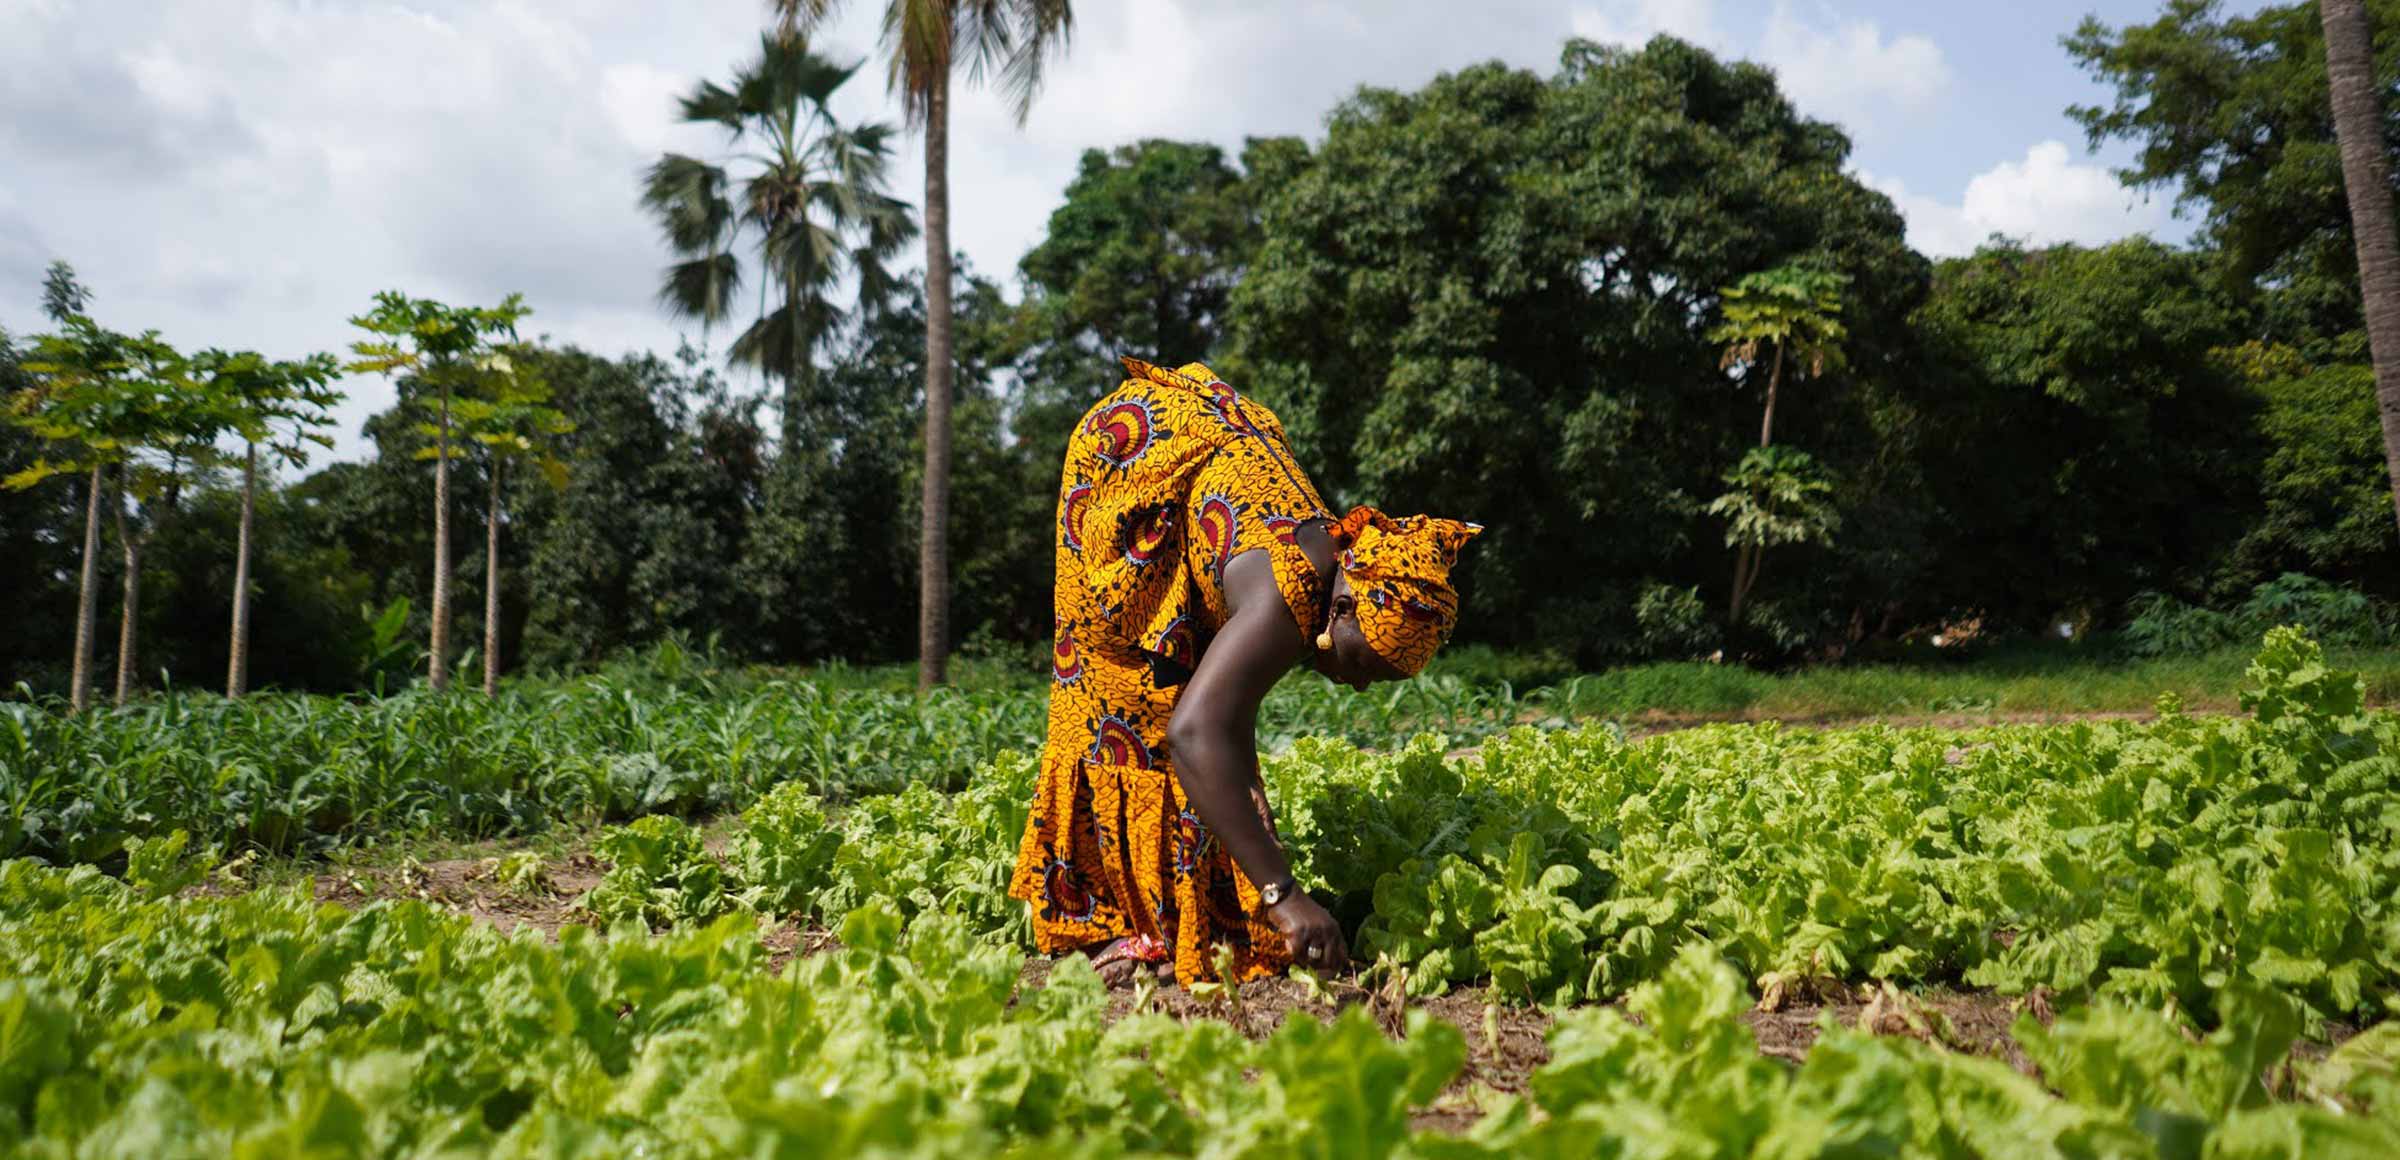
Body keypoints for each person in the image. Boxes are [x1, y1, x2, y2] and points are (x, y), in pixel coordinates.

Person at [1008, 357, 1480, 987]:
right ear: (1340, 609)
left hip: (1193, 459)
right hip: (1127, 466)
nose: (1361, 684)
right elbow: (1194, 733)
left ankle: (1199, 914)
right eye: (1366, 663)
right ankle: (1116, 927)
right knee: (1129, 702)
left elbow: (1232, 698)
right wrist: (1282, 893)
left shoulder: (1328, 567)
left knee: (1209, 730)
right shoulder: (1289, 598)